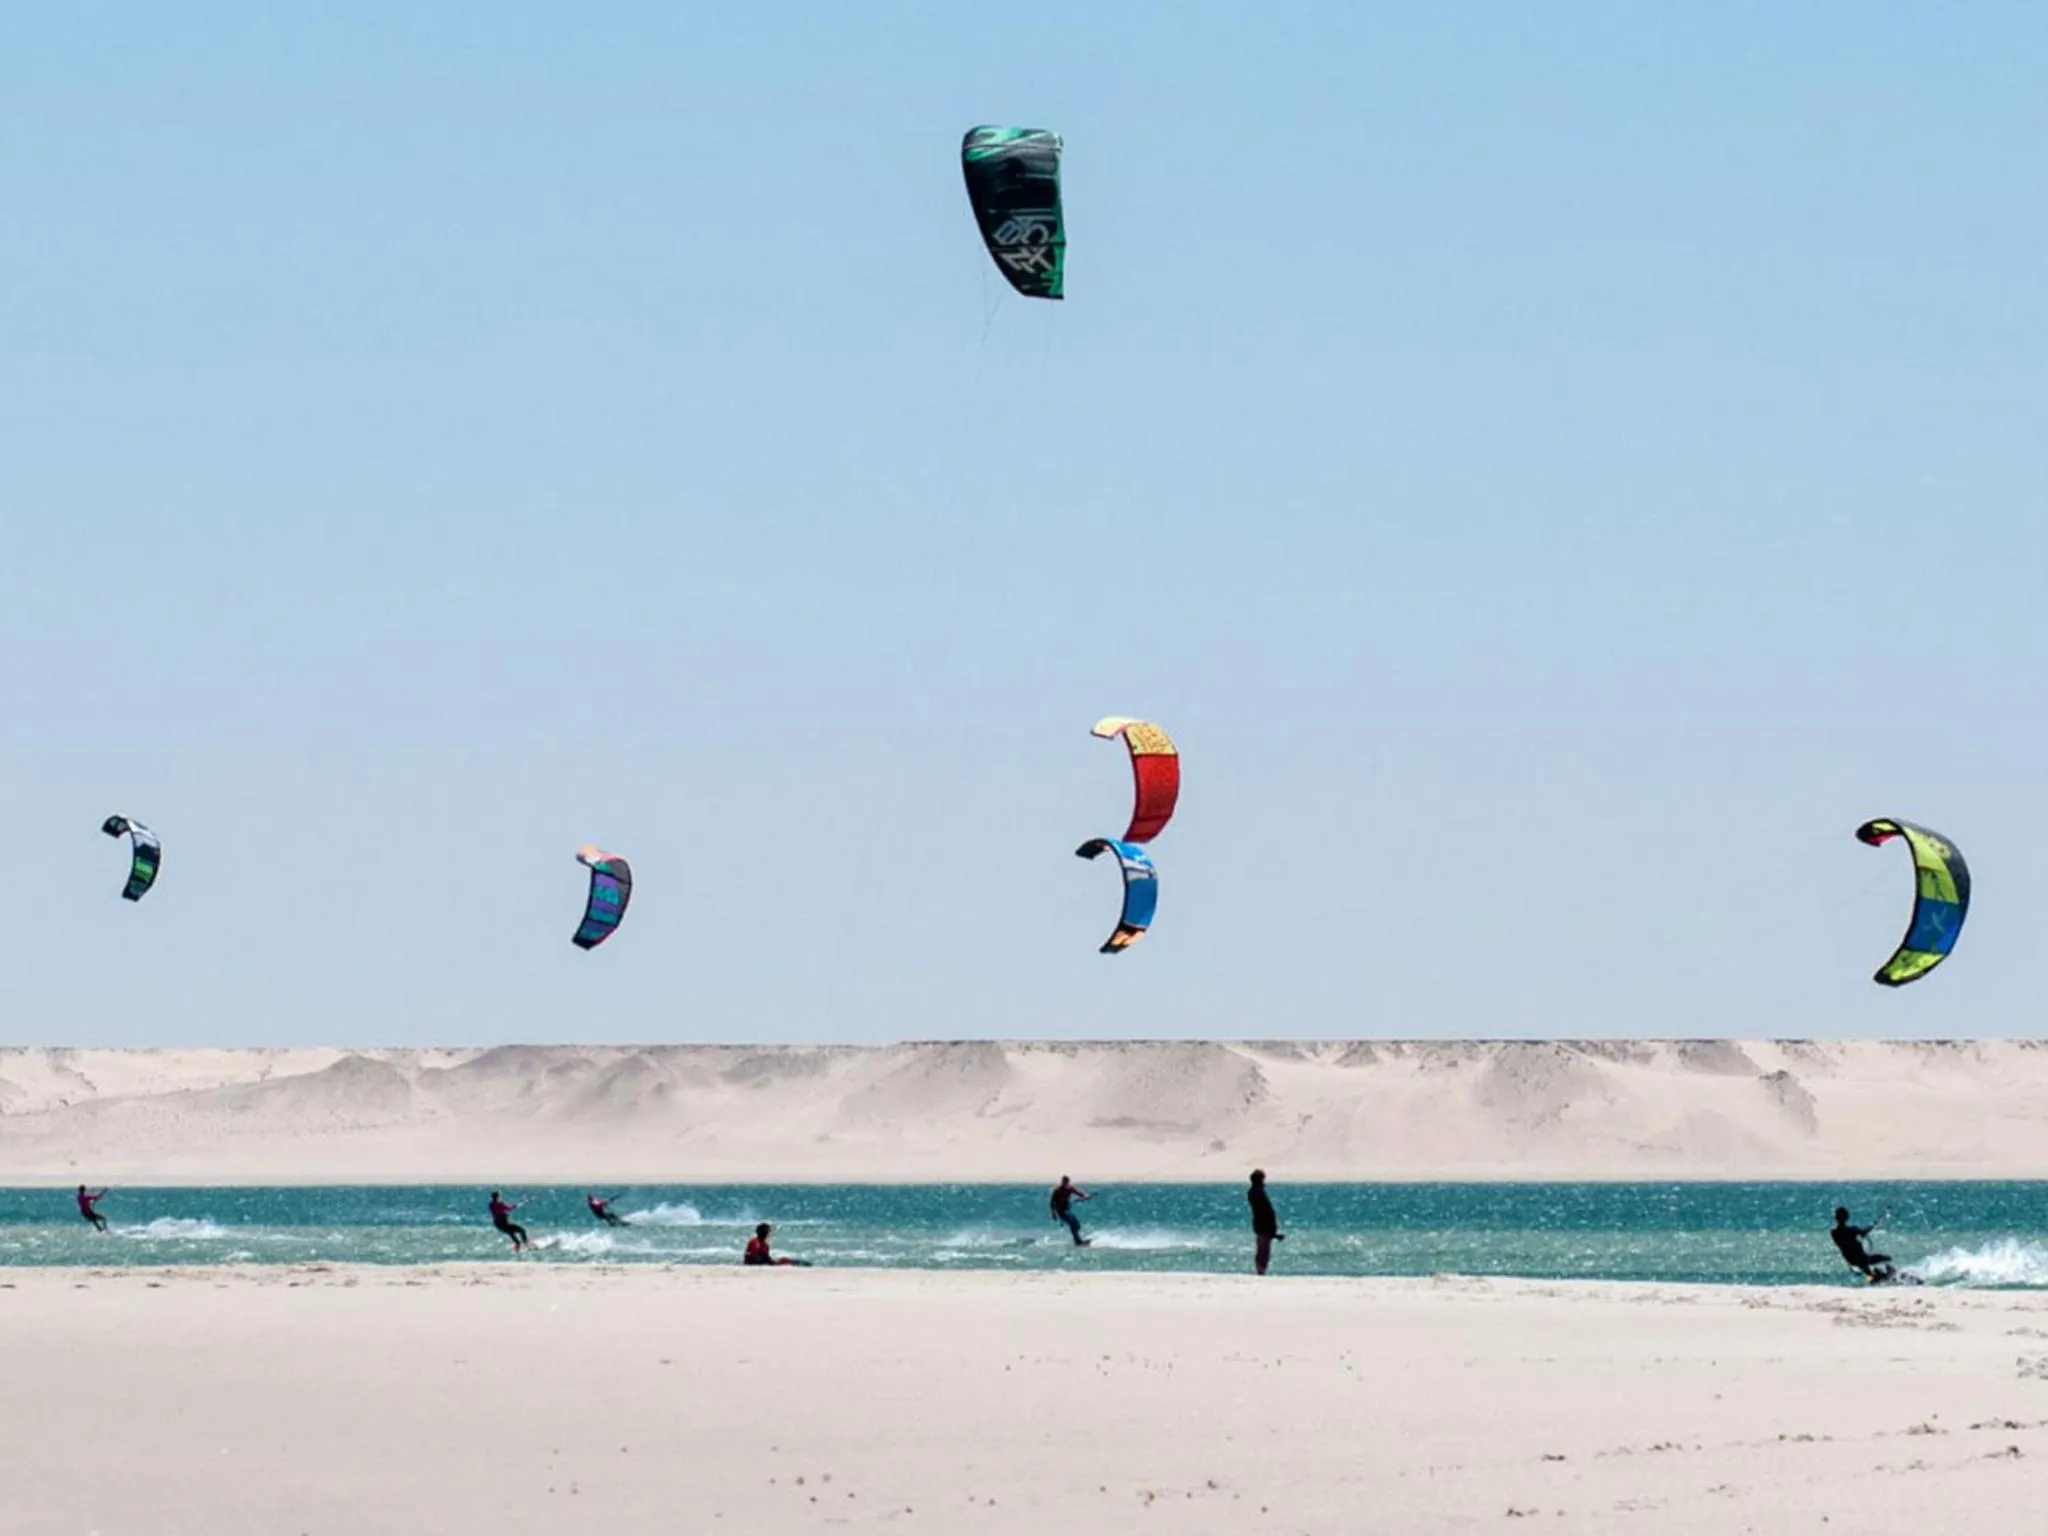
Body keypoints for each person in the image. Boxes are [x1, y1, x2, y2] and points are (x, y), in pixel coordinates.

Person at [1831, 1205, 1894, 1283]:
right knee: (1887, 1259)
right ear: (1847, 1217)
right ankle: (1887, 1278)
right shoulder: (1851, 1230)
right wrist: (1876, 1222)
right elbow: (1864, 1232)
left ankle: (1879, 1277)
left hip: (1851, 1260)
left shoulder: (1834, 1232)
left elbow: (1846, 1241)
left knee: (1873, 1273)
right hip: (1861, 1259)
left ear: (1835, 1218)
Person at [1248, 1169, 1284, 1275]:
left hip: (1260, 1224)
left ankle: (1260, 1270)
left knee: (1262, 1248)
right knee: (1264, 1249)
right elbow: (1265, 1210)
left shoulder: (1255, 1192)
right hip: (1263, 1224)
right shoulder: (1257, 1192)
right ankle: (1261, 1271)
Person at [1049, 1175, 1092, 1247]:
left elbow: (1078, 1193)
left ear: (1068, 1182)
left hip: (1067, 1210)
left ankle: (1078, 1240)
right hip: (1060, 1211)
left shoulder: (1070, 1188)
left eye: (1066, 1182)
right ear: (1062, 1182)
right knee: (1072, 1224)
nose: (1064, 1184)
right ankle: (1078, 1242)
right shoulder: (1057, 1190)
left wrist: (1086, 1196)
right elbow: (1052, 1202)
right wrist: (1053, 1213)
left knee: (1077, 1225)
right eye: (1063, 1182)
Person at [743, 1222, 810, 1267]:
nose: (767, 1233)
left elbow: (765, 1257)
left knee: (785, 1260)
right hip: (758, 1264)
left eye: (767, 1231)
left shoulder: (764, 1244)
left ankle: (803, 1264)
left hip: (763, 1263)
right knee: (785, 1261)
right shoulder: (755, 1242)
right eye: (765, 1231)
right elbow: (754, 1257)